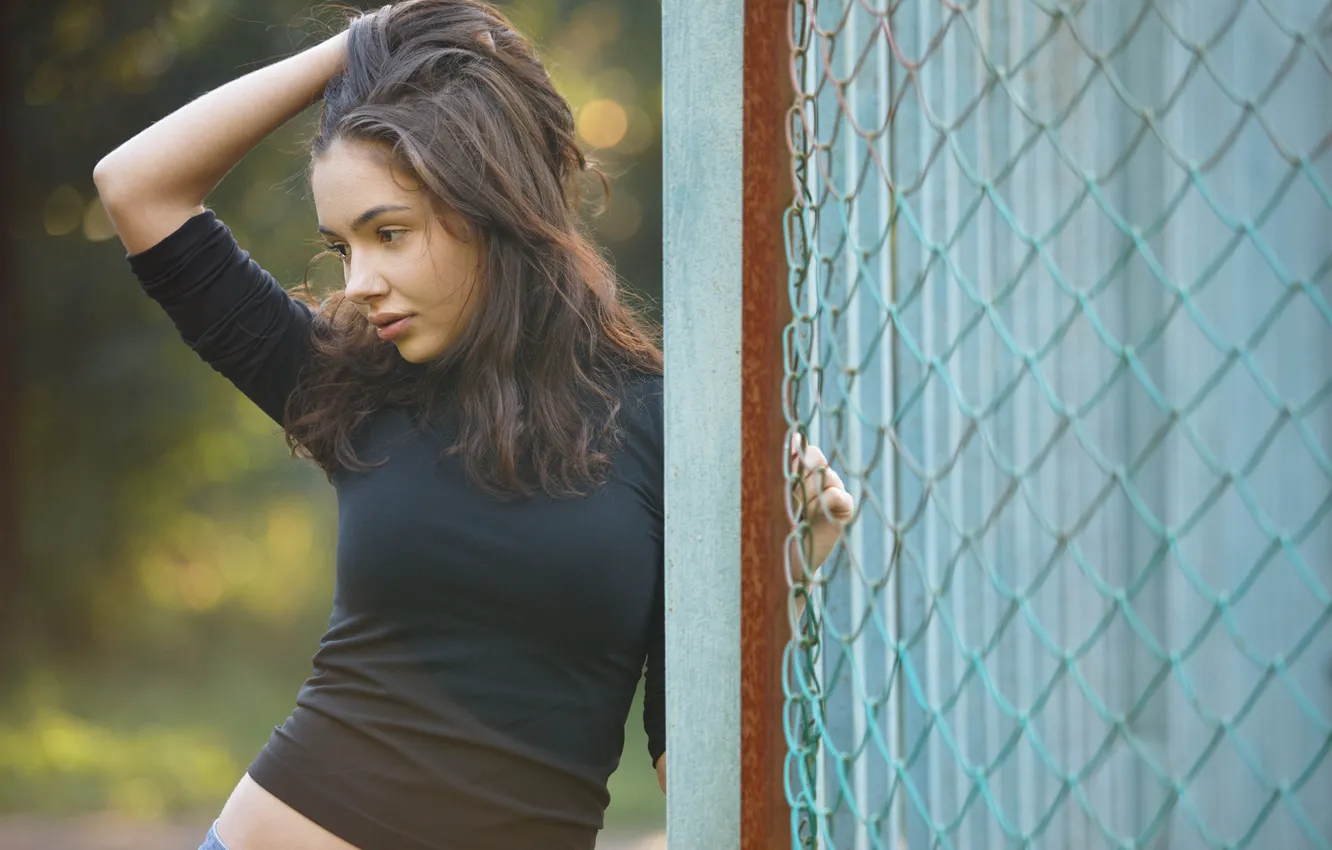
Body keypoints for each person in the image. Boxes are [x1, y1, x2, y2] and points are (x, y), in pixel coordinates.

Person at [92, 2, 854, 848]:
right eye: (343, 247)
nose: (359, 281)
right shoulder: (349, 383)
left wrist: (784, 572)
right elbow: (136, 187)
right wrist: (367, 43)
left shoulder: (668, 428)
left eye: (388, 233)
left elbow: (696, 774)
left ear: (491, 207)